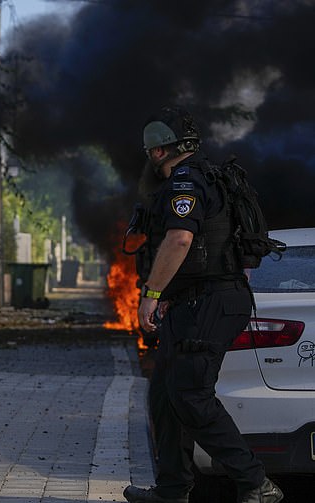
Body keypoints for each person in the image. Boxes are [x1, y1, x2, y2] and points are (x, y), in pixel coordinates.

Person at [122, 107, 284, 503]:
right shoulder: (210, 175)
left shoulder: (186, 180)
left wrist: (152, 294)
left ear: (158, 152)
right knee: (165, 394)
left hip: (209, 301)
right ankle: (172, 490)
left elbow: (180, 240)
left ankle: (255, 483)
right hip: (194, 301)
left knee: (192, 395)